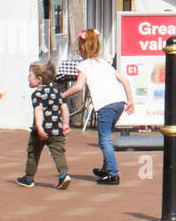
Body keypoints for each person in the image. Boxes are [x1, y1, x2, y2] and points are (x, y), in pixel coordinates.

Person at [60, 28, 135, 185]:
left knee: (104, 139)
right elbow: (125, 81)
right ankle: (106, 169)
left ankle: (113, 173)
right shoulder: (105, 64)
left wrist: (62, 95)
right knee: (106, 137)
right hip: (119, 102)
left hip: (105, 105)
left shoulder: (84, 65)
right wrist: (130, 100)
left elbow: (79, 86)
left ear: (82, 49)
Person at [17, 62, 70, 190]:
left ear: (39, 79)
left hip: (40, 131)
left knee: (33, 152)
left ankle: (29, 178)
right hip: (57, 130)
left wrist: (39, 127)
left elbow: (38, 110)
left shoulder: (37, 95)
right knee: (58, 152)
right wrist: (65, 124)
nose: (28, 78)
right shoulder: (56, 92)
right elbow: (64, 107)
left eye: (30, 75)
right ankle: (64, 175)